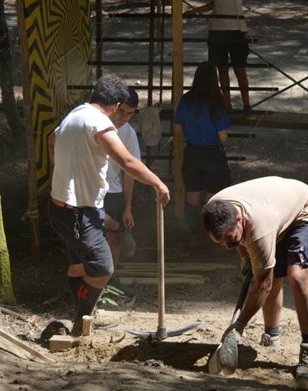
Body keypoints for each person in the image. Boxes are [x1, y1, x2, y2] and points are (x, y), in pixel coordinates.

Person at [49, 76, 170, 337]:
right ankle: (83, 317)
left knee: (78, 265)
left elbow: (51, 140)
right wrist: (158, 183)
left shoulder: (75, 115)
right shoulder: (99, 122)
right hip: (79, 212)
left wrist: (63, 172)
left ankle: (81, 313)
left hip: (61, 208)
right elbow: (126, 162)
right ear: (115, 104)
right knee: (103, 267)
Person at [202, 176, 308, 381]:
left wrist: (237, 328)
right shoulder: (215, 208)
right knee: (272, 273)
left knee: (297, 275)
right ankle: (271, 334)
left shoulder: (259, 227)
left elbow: (263, 286)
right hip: (275, 209)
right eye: (220, 243)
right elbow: (239, 239)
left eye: (231, 240)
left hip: (304, 211)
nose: (226, 246)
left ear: (239, 220)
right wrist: (244, 257)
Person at [187, 0, 250, 110]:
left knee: (239, 68)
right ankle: (226, 104)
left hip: (236, 27)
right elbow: (212, 4)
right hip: (216, 29)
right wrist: (193, 11)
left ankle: (247, 105)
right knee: (221, 68)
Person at [174, 62, 232, 235]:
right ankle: (212, 235)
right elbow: (223, 137)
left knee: (192, 196)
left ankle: (193, 234)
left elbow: (177, 129)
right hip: (213, 154)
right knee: (212, 198)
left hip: (192, 152)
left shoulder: (186, 99)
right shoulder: (216, 102)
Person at [103, 87, 141, 267]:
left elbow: (130, 173)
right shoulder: (96, 124)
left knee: (114, 237)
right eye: (121, 111)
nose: (123, 117)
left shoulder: (128, 133)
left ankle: (111, 277)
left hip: (113, 192)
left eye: (129, 114)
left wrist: (127, 207)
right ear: (114, 106)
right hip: (90, 189)